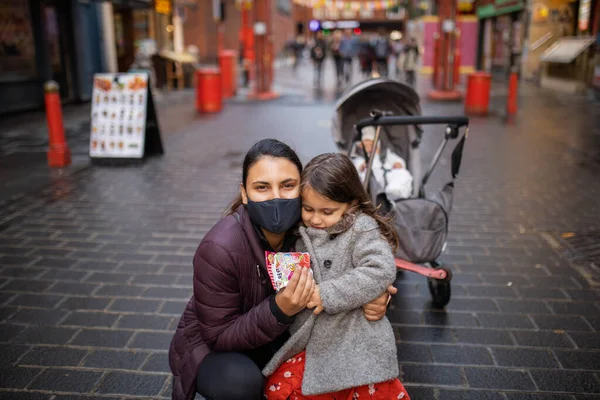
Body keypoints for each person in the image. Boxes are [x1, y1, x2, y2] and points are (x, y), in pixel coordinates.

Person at [168, 139, 397, 400]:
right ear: (244, 193)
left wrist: (378, 295)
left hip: (279, 334)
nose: (276, 197)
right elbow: (219, 335)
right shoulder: (219, 247)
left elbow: (356, 266)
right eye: (262, 187)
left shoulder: (310, 222)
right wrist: (279, 309)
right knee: (239, 384)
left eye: (287, 186)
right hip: (217, 347)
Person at [263, 153, 410, 400]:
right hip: (310, 341)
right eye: (308, 208)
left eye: (327, 211)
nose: (316, 219)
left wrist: (328, 294)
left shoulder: (361, 228)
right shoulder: (298, 229)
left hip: (356, 340)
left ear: (351, 204)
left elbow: (380, 268)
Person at [351, 127, 413, 201]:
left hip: (387, 175)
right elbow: (357, 166)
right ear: (361, 145)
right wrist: (362, 166)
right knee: (365, 179)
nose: (369, 145)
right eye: (366, 143)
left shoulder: (385, 154)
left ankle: (394, 190)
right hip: (370, 177)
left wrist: (398, 163)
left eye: (371, 142)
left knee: (403, 173)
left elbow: (395, 159)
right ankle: (376, 196)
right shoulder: (359, 158)